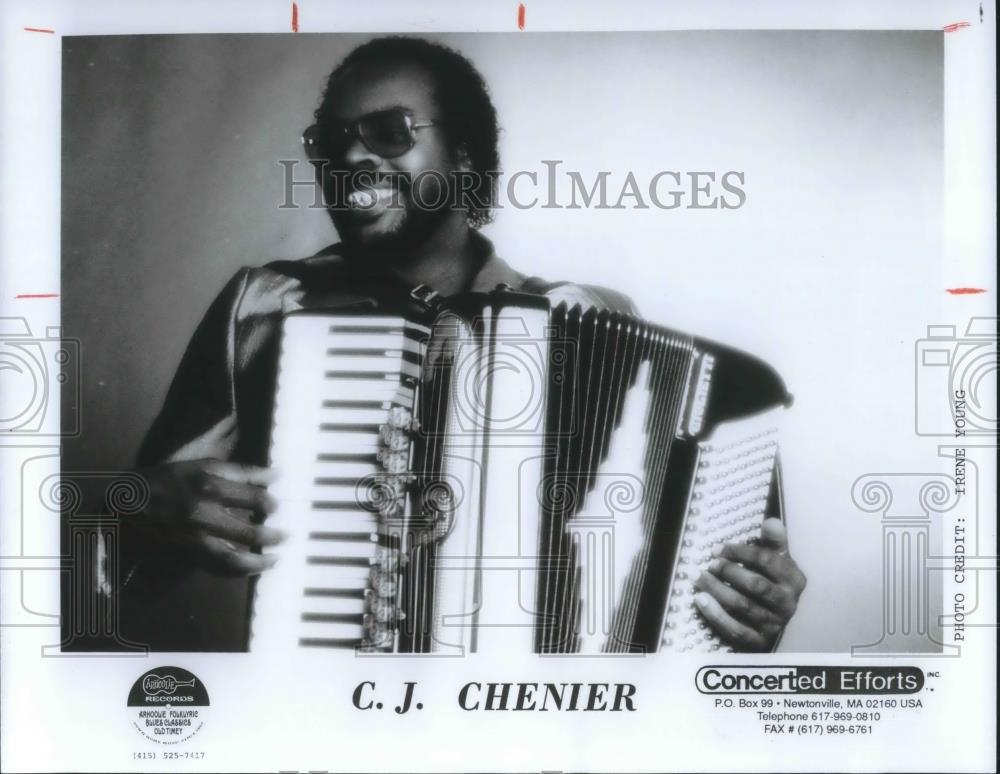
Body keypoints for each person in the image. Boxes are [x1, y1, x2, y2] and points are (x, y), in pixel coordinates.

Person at [123, 36, 806, 653]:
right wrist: (138, 507)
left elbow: (674, 580)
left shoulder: (589, 317)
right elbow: (135, 560)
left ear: (467, 158)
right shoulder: (267, 307)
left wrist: (755, 601)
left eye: (390, 132)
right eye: (330, 141)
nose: (353, 155)